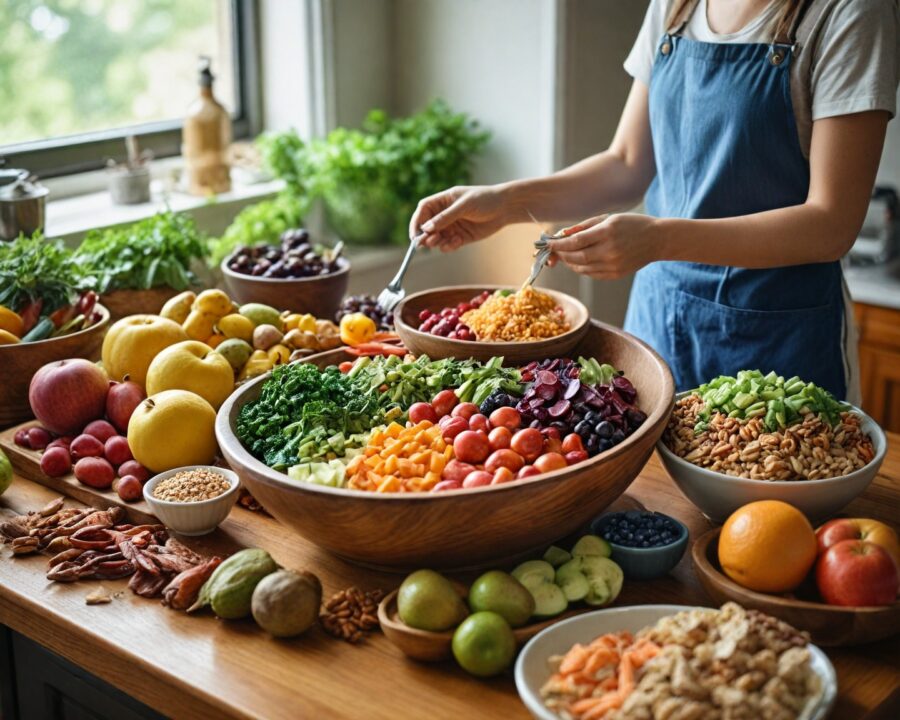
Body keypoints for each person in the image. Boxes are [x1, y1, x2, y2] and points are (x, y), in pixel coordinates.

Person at [409, 0, 899, 402]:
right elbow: (626, 163)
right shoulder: (676, 5)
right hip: (659, 323)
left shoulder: (850, 12)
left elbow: (831, 224)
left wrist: (659, 237)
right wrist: (505, 203)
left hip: (775, 341)